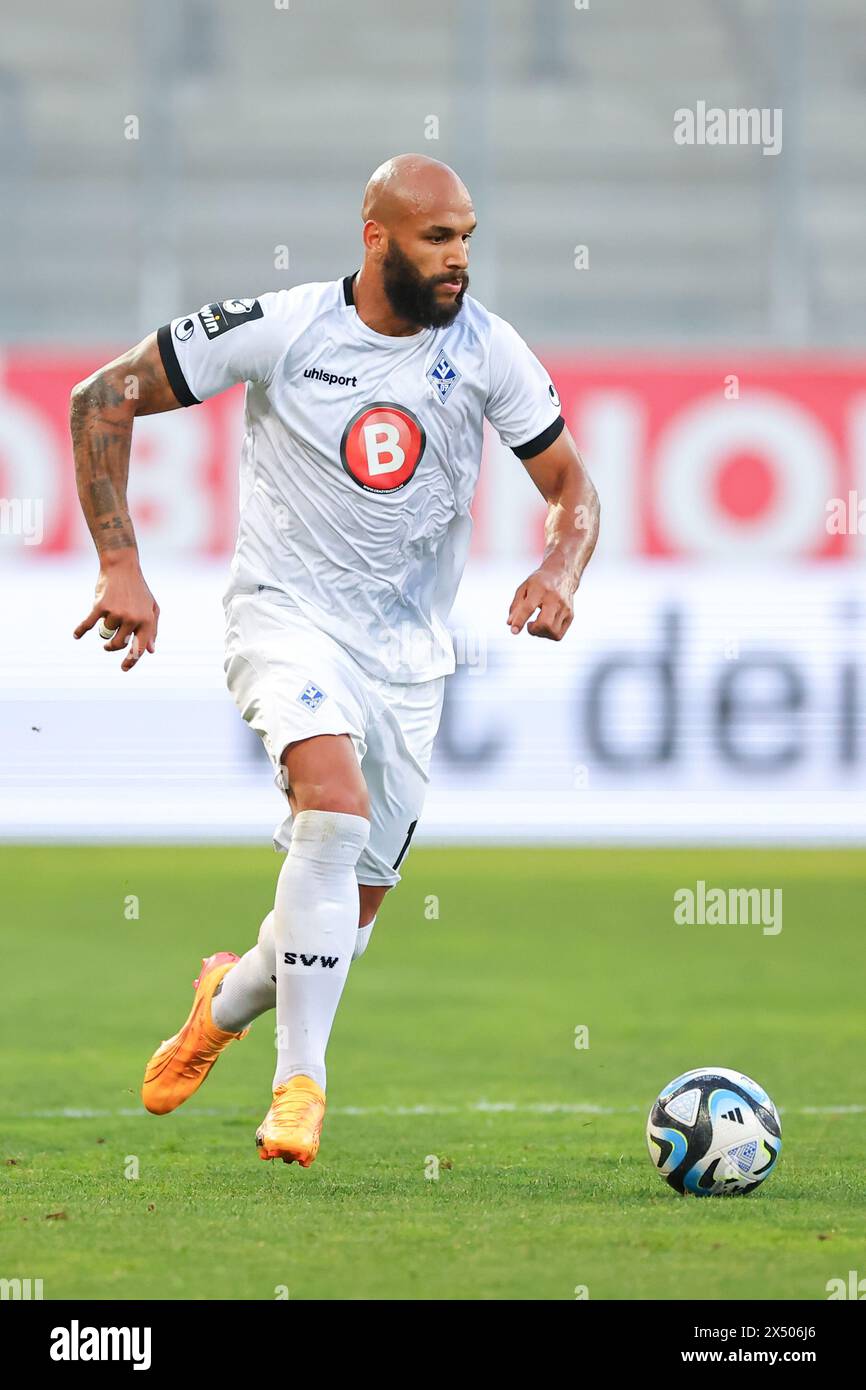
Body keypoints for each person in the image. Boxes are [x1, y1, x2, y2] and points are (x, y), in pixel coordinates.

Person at [70, 153, 600, 1168]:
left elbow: (571, 483)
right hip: (284, 618)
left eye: (466, 239)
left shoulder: (489, 351)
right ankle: (298, 1086)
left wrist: (560, 567)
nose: (457, 261)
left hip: (408, 660)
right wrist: (121, 562)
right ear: (375, 237)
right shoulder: (285, 329)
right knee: (332, 806)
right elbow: (103, 397)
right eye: (435, 239)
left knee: (337, 929)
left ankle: (220, 998)